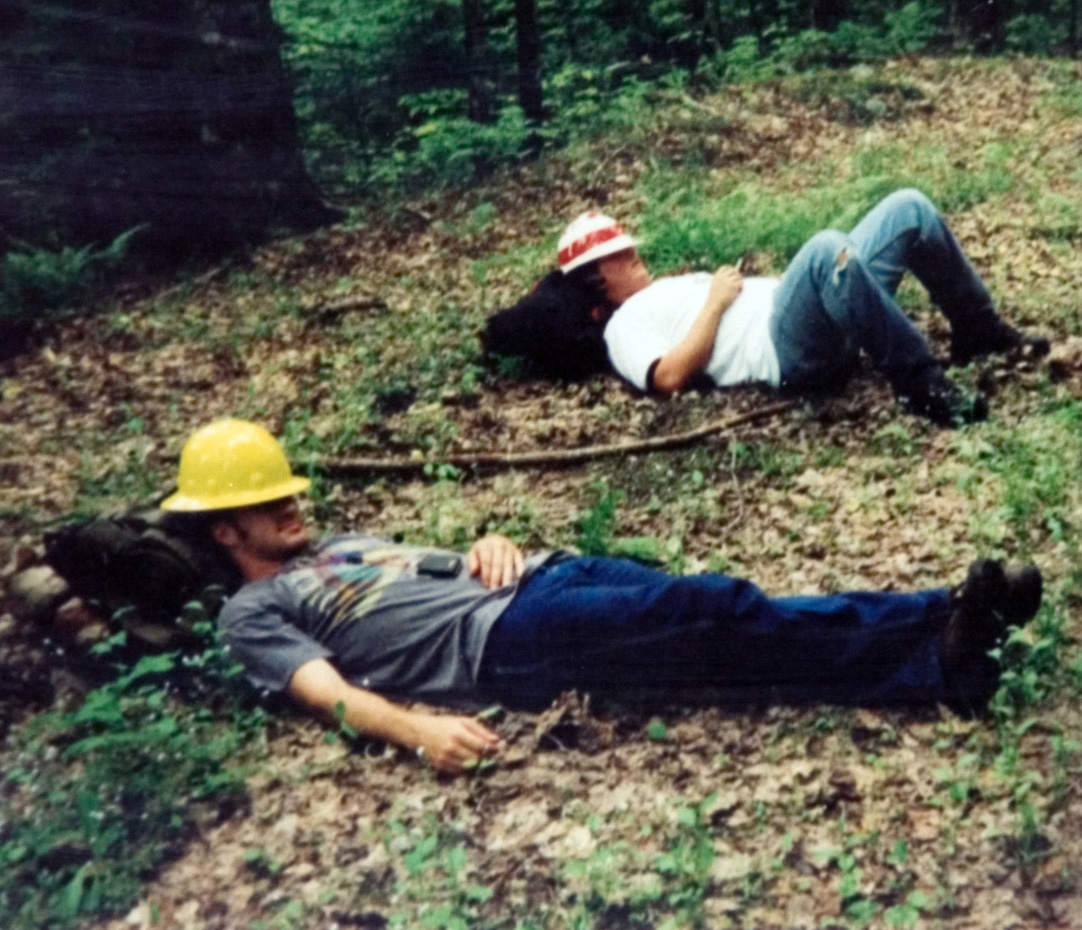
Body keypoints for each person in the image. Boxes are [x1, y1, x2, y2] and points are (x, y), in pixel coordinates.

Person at [163, 419, 1043, 773]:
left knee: (730, 624)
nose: (294, 505)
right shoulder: (252, 616)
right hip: (509, 639)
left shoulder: (345, 544)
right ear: (223, 533)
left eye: (289, 491)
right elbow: (330, 695)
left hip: (545, 574)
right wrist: (417, 728)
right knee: (716, 608)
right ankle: (937, 640)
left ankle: (945, 629)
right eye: (268, 503)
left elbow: (439, 564)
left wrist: (490, 542)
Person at [558, 189, 1048, 426]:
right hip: (787, 351)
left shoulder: (661, 289)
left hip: (824, 310)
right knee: (823, 250)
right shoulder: (622, 326)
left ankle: (977, 328)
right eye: (618, 254)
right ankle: (923, 385)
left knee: (909, 207)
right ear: (596, 278)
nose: (632, 253)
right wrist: (716, 300)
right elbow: (667, 377)